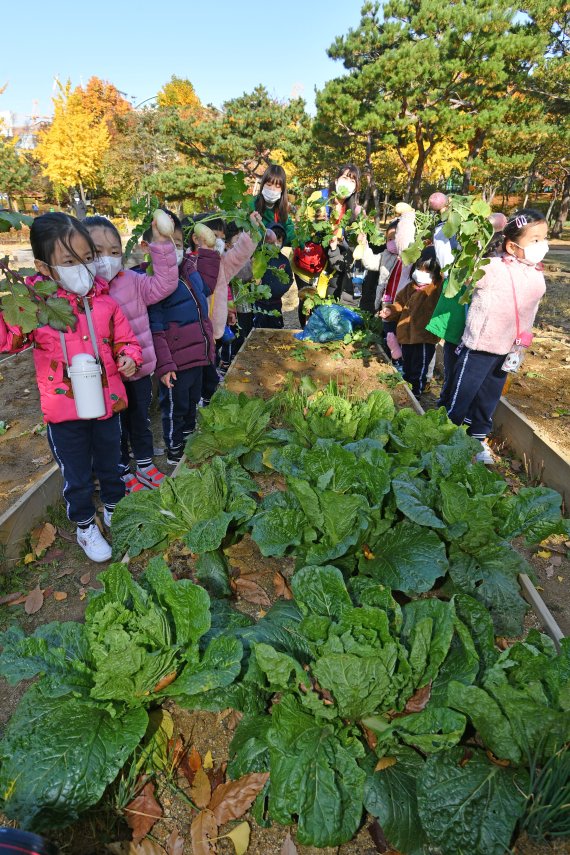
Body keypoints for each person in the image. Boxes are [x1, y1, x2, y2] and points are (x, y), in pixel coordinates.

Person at [0, 213, 142, 561]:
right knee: (76, 473)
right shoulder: (39, 310)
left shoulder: (106, 304)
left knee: (111, 461)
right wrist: (14, 306)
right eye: (69, 261)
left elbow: (127, 341)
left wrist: (129, 358)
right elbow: (9, 340)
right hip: (65, 414)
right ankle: (84, 526)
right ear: (45, 268)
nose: (83, 267)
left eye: (88, 258)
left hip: (107, 405)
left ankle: (113, 508)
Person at [84, 215, 179, 494]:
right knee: (115, 429)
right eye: (97, 252)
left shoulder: (134, 281)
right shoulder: (81, 294)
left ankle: (146, 465)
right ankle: (123, 470)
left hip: (138, 371)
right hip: (106, 379)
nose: (107, 260)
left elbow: (165, 284)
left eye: (114, 252)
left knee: (140, 421)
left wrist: (161, 244)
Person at [446, 209, 548, 463]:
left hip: (510, 347)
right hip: (481, 345)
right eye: (535, 240)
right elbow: (463, 275)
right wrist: (474, 246)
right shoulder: (490, 267)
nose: (542, 245)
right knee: (462, 392)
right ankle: (444, 432)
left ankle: (477, 436)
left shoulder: (537, 274)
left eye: (544, 238)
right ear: (512, 247)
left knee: (490, 395)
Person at [146, 210, 222, 465]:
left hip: (197, 356)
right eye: (165, 245)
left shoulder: (189, 269)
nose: (172, 251)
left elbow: (207, 286)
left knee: (192, 402)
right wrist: (165, 366)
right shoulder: (154, 283)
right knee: (173, 409)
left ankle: (189, 439)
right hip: (176, 364)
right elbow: (155, 328)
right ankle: (174, 449)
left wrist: (209, 252)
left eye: (177, 245)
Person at [380, 246, 443, 396]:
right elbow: (399, 304)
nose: (422, 274)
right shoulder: (410, 287)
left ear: (436, 273)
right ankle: (406, 392)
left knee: (419, 369)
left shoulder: (436, 289)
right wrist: (390, 310)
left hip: (424, 338)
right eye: (420, 269)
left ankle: (416, 393)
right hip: (406, 336)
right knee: (407, 367)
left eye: (427, 271)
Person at [326, 164, 363, 299]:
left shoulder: (355, 211)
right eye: (344, 178)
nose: (347, 184)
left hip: (337, 261)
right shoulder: (322, 199)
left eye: (352, 181)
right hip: (317, 260)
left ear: (355, 188)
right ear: (336, 181)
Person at [252, 223, 293, 329]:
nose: (276, 244)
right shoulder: (259, 256)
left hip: (276, 302)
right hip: (259, 303)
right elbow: (252, 276)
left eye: (279, 241)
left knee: (275, 329)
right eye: (274, 240)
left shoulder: (283, 260)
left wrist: (280, 289)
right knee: (259, 330)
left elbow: (289, 278)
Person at [249, 164, 295, 246]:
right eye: (269, 185)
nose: (272, 189)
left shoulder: (282, 212)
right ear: (263, 185)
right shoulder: (251, 204)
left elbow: (290, 231)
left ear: (282, 190)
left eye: (277, 187)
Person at [359, 220, 400, 313]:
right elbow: (369, 262)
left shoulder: (408, 260)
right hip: (384, 300)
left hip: (399, 302)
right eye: (389, 239)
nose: (392, 242)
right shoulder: (385, 255)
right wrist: (364, 244)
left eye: (396, 238)